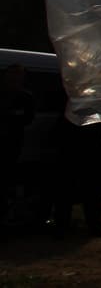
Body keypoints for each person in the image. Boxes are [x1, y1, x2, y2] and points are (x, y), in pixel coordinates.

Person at [1, 65, 35, 224]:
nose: (14, 79)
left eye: (17, 76)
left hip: (13, 145)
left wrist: (12, 117)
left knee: (8, 178)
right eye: (11, 76)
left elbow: (27, 118)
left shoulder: (26, 97)